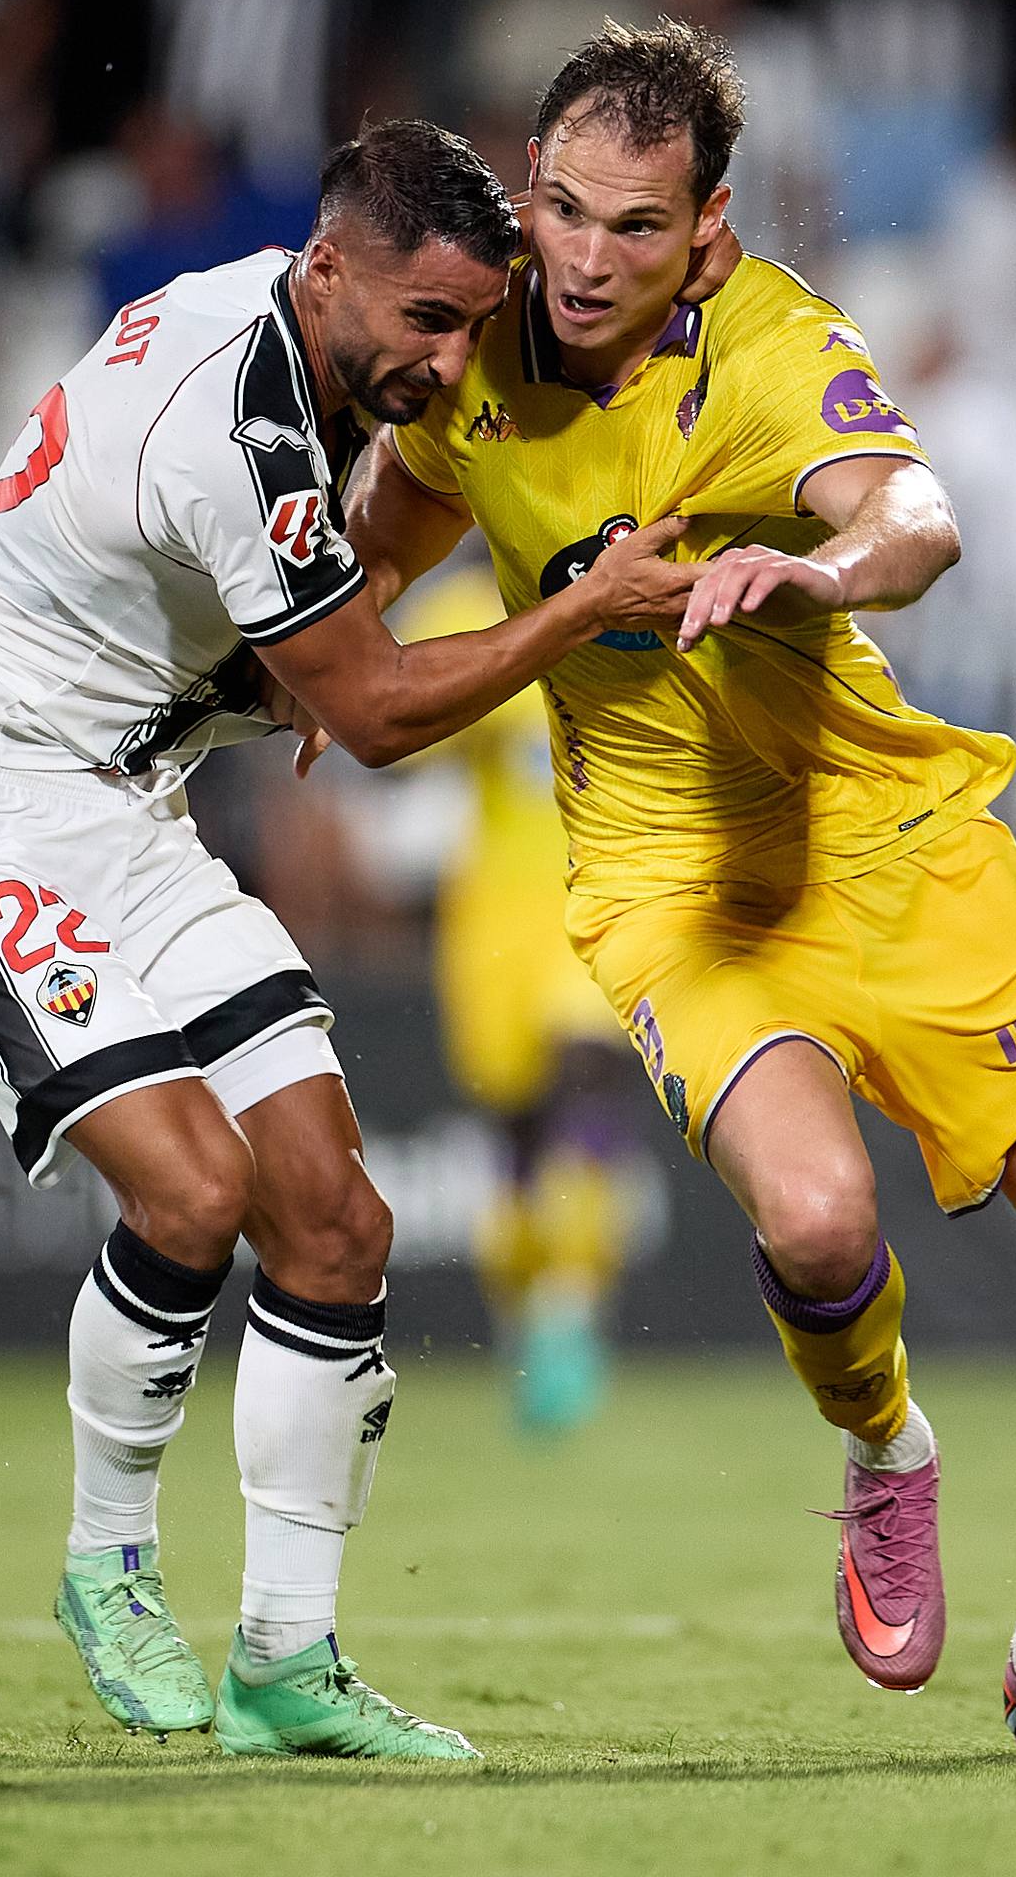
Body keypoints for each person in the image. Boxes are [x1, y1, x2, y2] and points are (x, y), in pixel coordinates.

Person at [337, 20, 1016, 1759]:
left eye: (635, 226)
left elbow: (915, 513)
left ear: (711, 233)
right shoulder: (477, 356)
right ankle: (887, 1448)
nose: (587, 258)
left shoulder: (770, 347)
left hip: (891, 842)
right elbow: (377, 539)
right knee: (819, 1223)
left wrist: (810, 566)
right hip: (672, 874)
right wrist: (292, 671)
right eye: (564, 211)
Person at [0, 120, 704, 1759]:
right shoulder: (227, 425)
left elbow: (343, 608)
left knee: (337, 1222)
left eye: (467, 326)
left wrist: (679, 270)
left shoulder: (291, 336)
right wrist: (582, 606)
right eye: (425, 325)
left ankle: (286, 1662)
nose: (446, 367)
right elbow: (372, 716)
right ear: (330, 268)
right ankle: (109, 1568)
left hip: (129, 811)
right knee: (193, 1188)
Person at [402, 555, 645, 1435]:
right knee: (515, 1134)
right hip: (493, 916)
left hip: (601, 897)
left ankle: (571, 1310)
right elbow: (389, 739)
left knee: (588, 1078)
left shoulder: (634, 594)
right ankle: (527, 1319)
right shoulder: (461, 610)